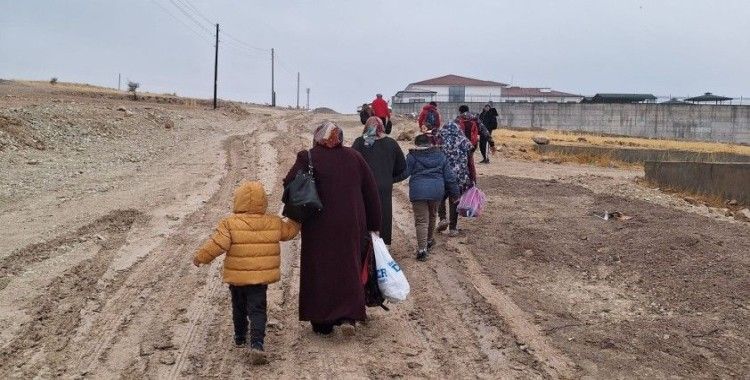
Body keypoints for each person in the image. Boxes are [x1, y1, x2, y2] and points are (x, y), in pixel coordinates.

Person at [283, 122, 382, 336]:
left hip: (317, 224)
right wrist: (375, 225)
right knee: (348, 265)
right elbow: (371, 192)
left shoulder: (307, 157)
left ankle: (321, 321)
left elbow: (289, 183)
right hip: (350, 223)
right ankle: (348, 316)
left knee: (319, 268)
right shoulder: (355, 157)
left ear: (317, 137)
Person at [193, 181, 300, 365]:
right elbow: (289, 231)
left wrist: (200, 257)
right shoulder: (273, 222)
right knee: (258, 309)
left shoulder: (229, 223)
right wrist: (298, 218)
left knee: (239, 307)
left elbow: (217, 245)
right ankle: (257, 343)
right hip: (259, 280)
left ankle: (240, 336)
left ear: (238, 201)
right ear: (263, 202)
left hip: (237, 279)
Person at [352, 117, 407, 246]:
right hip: (384, 185)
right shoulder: (391, 143)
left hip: (363, 186)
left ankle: (365, 243)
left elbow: (350, 164)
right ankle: (383, 244)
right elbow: (402, 167)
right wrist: (388, 177)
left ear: (366, 127)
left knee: (364, 212)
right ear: (382, 127)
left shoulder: (360, 142)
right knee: (383, 213)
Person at [405, 134, 459, 261]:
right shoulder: (441, 156)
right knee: (432, 215)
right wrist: (455, 194)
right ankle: (429, 240)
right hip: (436, 191)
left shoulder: (412, 156)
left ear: (416, 144)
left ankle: (422, 250)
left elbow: (404, 173)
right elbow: (450, 178)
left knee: (421, 221)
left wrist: (388, 178)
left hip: (418, 191)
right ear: (430, 143)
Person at [436, 122, 474, 236]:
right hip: (459, 176)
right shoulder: (463, 140)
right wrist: (472, 177)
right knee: (455, 200)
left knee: (440, 197)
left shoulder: (439, 140)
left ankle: (442, 218)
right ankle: (453, 228)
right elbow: (471, 156)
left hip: (443, 174)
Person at [454, 105, 479, 183]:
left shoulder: (458, 119)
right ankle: (473, 179)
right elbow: (483, 129)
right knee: (470, 161)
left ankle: (463, 179)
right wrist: (491, 143)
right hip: (472, 144)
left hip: (461, 145)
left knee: (461, 162)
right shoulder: (474, 118)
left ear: (460, 111)